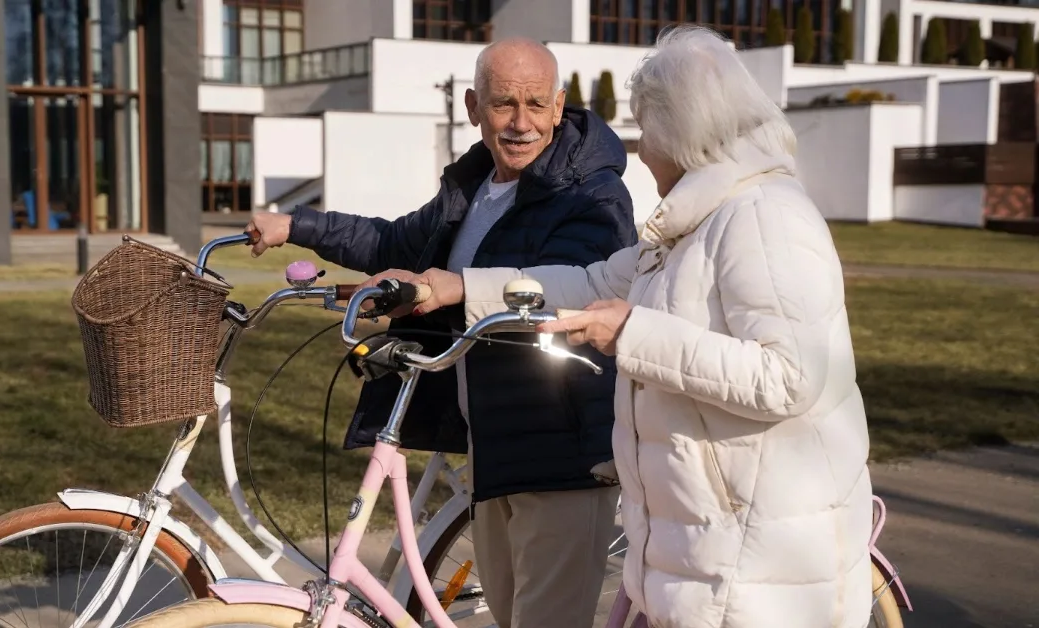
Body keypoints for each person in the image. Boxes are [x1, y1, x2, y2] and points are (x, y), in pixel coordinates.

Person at [357, 25, 874, 628]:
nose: (641, 149)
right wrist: (462, 287)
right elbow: (594, 284)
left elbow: (790, 377)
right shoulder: (692, 224)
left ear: (685, 129)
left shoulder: (763, 218)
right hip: (705, 534)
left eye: (647, 130)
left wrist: (635, 336)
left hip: (760, 546)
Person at [245, 38, 637, 628]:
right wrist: (296, 224)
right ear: (474, 106)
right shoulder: (476, 187)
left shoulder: (591, 193)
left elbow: (566, 291)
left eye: (536, 104)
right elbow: (393, 242)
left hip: (563, 453)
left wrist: (448, 289)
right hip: (493, 448)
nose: (521, 123)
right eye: (504, 104)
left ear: (560, 107)